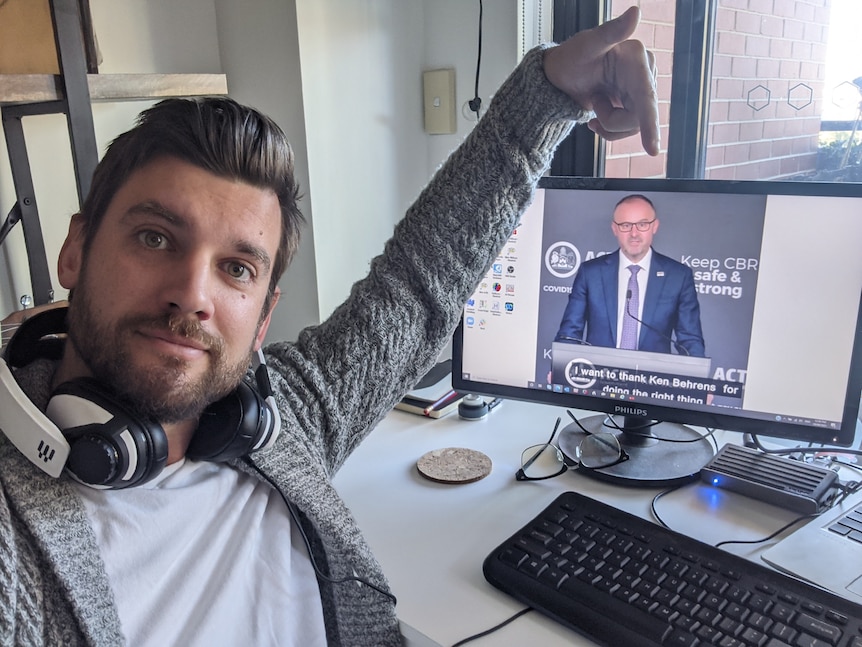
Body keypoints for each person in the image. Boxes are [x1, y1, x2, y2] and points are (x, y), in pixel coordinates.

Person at [0, 7, 659, 646]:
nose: (192, 295)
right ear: (76, 251)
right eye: (155, 237)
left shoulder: (284, 420)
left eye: (235, 268)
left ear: (263, 319)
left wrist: (547, 95)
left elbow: (416, 285)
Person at [555, 193, 705, 357]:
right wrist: (561, 368)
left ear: (655, 226)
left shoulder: (678, 276)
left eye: (642, 224)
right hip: (599, 375)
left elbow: (691, 341)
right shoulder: (590, 273)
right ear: (615, 229)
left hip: (652, 378)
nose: (634, 233)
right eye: (625, 225)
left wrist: (694, 378)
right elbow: (569, 333)